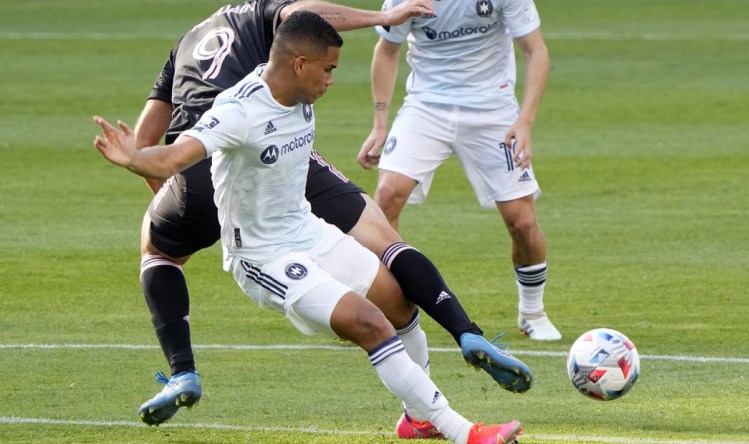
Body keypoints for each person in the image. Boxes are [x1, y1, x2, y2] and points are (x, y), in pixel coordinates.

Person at [93, 12, 524, 444]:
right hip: (264, 258)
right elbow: (174, 158)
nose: (332, 80)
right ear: (299, 64)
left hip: (309, 233)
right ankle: (464, 431)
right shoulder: (238, 110)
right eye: (329, 69)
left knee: (400, 307)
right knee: (370, 324)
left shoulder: (298, 95)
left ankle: (418, 418)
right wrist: (134, 157)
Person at [358, 0, 562, 342]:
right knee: (387, 198)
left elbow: (535, 50)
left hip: (493, 110)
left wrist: (524, 121)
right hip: (426, 107)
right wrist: (381, 124)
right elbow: (387, 50)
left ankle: (532, 312)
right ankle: (381, 310)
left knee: (522, 221)